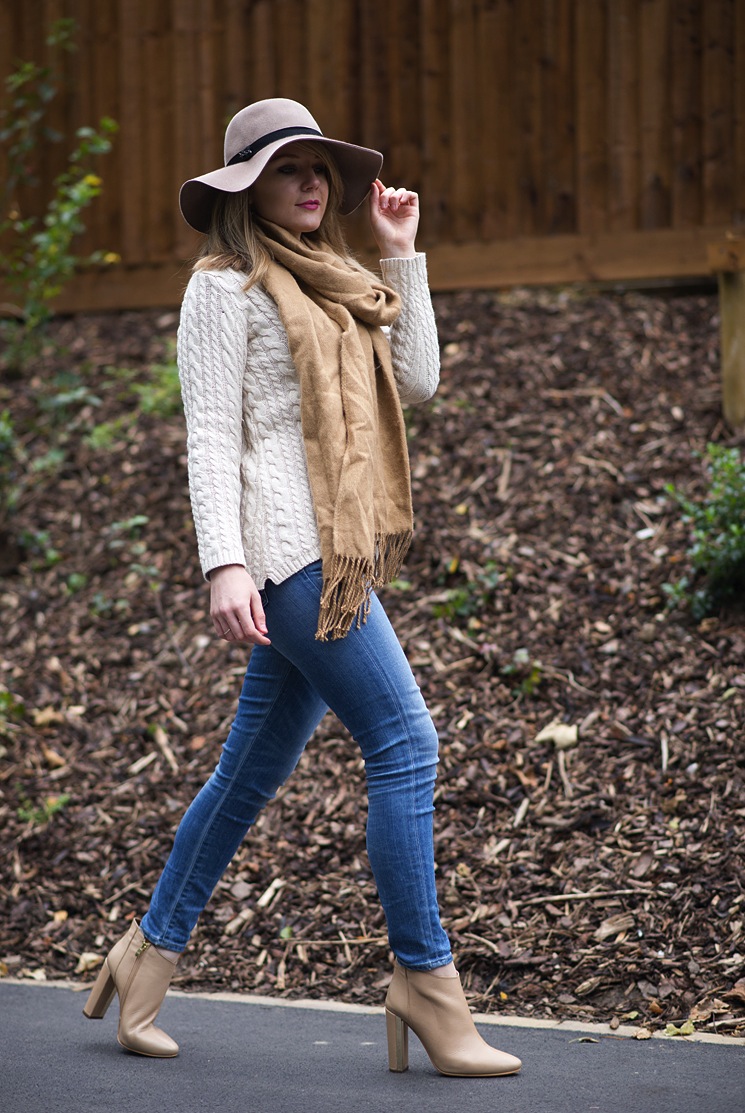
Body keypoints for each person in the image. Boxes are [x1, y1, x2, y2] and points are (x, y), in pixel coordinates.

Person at [82, 98, 521, 1079]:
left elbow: (414, 384)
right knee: (407, 745)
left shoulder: (339, 279)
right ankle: (425, 980)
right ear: (248, 188)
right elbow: (211, 441)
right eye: (291, 169)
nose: (313, 182)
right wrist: (223, 562)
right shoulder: (222, 291)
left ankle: (144, 955)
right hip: (289, 557)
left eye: (321, 167)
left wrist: (402, 252)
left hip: (334, 546)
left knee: (247, 773)